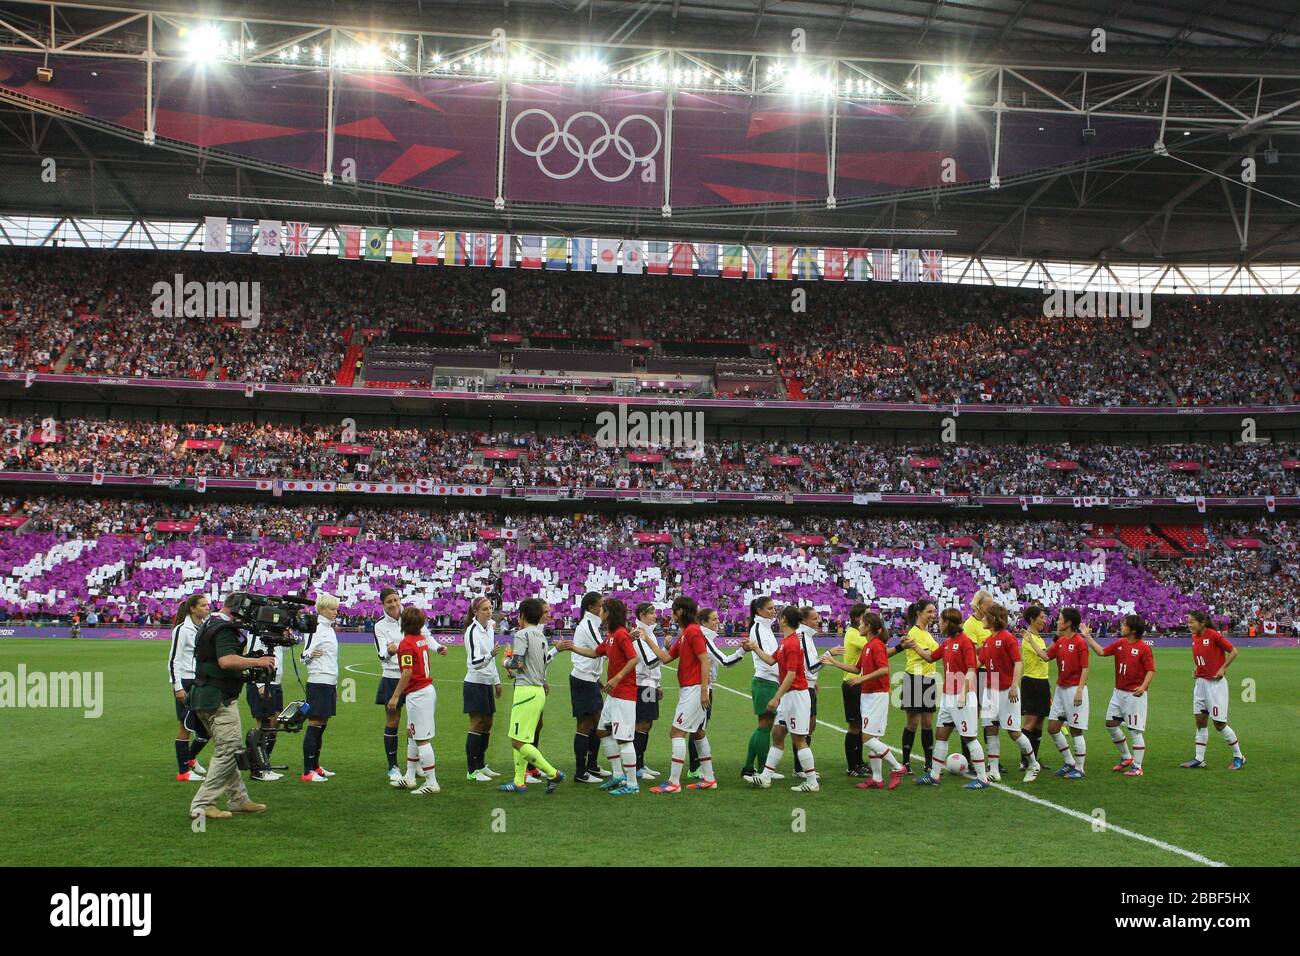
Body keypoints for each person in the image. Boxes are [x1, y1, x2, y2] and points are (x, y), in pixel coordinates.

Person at [188, 599, 273, 820]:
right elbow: (226, 661)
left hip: (206, 695)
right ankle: (203, 804)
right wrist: (258, 662)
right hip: (218, 698)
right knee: (228, 750)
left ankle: (239, 799)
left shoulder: (210, 623)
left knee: (231, 749)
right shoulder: (224, 628)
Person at [557, 599, 641, 795]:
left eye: (603, 609)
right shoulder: (612, 635)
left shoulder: (620, 634)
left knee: (624, 739)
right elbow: (595, 653)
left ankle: (632, 784)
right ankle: (618, 775)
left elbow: (634, 658)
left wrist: (618, 678)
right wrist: (571, 648)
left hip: (624, 693)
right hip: (614, 694)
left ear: (608, 613)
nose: (600, 611)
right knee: (602, 730)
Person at [822, 611, 907, 790]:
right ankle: (877, 778)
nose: (858, 626)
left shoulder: (876, 645)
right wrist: (835, 663)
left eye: (861, 624)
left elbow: (884, 669)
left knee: (867, 739)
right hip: (869, 695)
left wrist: (862, 679)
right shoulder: (869, 645)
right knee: (872, 737)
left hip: (877, 695)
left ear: (868, 627)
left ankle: (897, 767)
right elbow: (856, 668)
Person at [907, 608, 990, 789]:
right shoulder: (947, 643)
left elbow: (971, 669)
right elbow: (930, 657)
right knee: (941, 735)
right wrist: (914, 646)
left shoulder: (965, 643)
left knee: (969, 737)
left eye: (941, 621)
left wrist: (963, 693)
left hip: (963, 697)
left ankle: (983, 778)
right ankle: (934, 775)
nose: (939, 623)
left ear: (948, 622)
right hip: (947, 697)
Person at [643, 596, 718, 794]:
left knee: (676, 732)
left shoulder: (693, 632)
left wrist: (703, 691)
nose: (671, 614)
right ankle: (709, 778)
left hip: (694, 689)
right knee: (698, 733)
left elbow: (704, 661)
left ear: (681, 612)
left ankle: (673, 782)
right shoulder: (686, 633)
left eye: (674, 611)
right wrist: (647, 639)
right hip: (691, 689)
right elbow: (666, 657)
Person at [749, 604, 820, 793]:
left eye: (779, 616)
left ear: (784, 620)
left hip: (795, 695)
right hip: (790, 696)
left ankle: (812, 782)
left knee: (799, 739)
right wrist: (754, 648)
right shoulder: (786, 642)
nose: (777, 618)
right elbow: (771, 660)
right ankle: (765, 777)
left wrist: (776, 697)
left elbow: (790, 674)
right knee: (778, 734)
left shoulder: (791, 644)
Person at [499, 597, 564, 794]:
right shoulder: (541, 636)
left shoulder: (522, 634)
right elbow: (540, 664)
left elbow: (517, 663)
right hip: (536, 691)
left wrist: (505, 661)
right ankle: (519, 782)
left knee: (517, 741)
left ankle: (553, 773)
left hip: (526, 691)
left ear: (522, 615)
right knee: (520, 737)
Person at [1081, 614, 1153, 778]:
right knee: (1111, 724)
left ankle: (1138, 766)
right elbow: (1101, 652)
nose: (1121, 626)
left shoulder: (1143, 648)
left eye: (1124, 624)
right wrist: (1087, 637)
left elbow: (1150, 670)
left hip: (1134, 695)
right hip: (1118, 693)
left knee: (1135, 731)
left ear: (1133, 630)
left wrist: (1143, 686)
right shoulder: (1120, 643)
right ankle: (1127, 757)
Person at [1023, 607, 1089, 779]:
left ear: (1067, 623)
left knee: (1075, 730)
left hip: (1075, 689)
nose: (1057, 621)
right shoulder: (1060, 642)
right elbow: (1045, 657)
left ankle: (1080, 769)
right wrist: (1030, 641)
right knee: (1052, 728)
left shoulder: (1079, 642)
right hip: (1061, 689)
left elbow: (1085, 668)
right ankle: (1069, 762)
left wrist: (1080, 690)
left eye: (1060, 619)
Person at [979, 603, 1040, 783]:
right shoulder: (988, 641)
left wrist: (1014, 685)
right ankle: (994, 769)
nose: (982, 619)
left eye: (985, 616)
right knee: (990, 729)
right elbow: (978, 662)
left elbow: (1018, 662)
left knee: (1013, 731)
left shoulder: (1008, 638)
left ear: (992, 618)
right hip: (990, 691)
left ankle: (1033, 764)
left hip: (1007, 691)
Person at [389, 606, 446, 795]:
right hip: (424, 691)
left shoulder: (406, 643)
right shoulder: (420, 639)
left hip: (418, 694)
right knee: (412, 734)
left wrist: (396, 695)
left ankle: (431, 782)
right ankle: (410, 777)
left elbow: (407, 671)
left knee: (421, 739)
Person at [1181, 611, 1245, 770]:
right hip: (1201, 683)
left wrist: (1223, 668)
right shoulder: (1194, 638)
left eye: (1192, 622)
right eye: (1188, 622)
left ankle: (1239, 756)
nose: (1189, 625)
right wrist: (1197, 668)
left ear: (1202, 623)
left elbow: (1234, 651)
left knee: (1219, 724)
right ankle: (1199, 758)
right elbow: (1202, 658)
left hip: (1215, 685)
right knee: (1200, 720)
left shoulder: (1213, 635)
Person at [687, 607, 745, 778]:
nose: (718, 621)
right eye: (714, 619)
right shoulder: (704, 638)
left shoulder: (703, 636)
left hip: (698, 686)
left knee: (696, 728)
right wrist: (742, 651)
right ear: (704, 622)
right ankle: (695, 768)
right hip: (702, 688)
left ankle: (694, 767)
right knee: (698, 729)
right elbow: (725, 662)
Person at [374, 587, 423, 783]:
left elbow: (424, 636)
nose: (394, 605)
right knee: (393, 721)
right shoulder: (380, 626)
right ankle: (393, 766)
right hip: (392, 677)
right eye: (389, 602)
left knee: (415, 722)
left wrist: (438, 648)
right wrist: (391, 652)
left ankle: (415, 763)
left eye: (395, 600)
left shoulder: (410, 618)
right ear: (383, 605)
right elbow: (381, 655)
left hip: (413, 677)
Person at [740, 595, 782, 781]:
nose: (773, 611)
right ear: (759, 611)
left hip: (769, 681)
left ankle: (750, 767)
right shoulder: (758, 629)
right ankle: (763, 769)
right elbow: (767, 658)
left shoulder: (765, 628)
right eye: (769, 608)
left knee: (764, 726)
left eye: (773, 608)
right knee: (765, 727)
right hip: (766, 681)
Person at [168, 594, 210, 782]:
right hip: (186, 681)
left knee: (207, 728)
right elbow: (173, 660)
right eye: (203, 605)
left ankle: (190, 759)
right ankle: (183, 771)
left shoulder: (203, 627)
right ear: (193, 608)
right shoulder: (182, 630)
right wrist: (177, 686)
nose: (207, 608)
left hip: (201, 681)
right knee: (185, 727)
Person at [462, 596, 503, 781]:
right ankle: (472, 770)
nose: (488, 612)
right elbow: (475, 661)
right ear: (476, 612)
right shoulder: (472, 632)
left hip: (486, 682)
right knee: (477, 723)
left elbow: (491, 661)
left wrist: (496, 681)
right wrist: (490, 655)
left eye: (490, 608)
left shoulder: (489, 629)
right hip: (475, 682)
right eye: (485, 609)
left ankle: (480, 764)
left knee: (488, 723)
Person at [301, 593, 340, 783]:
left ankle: (316, 765)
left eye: (336, 609)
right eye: (332, 609)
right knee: (315, 724)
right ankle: (308, 770)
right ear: (322, 609)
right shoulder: (315, 628)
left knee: (322, 725)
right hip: (318, 680)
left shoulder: (329, 629)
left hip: (328, 681)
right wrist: (310, 655)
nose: (335, 612)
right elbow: (303, 655)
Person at [569, 591, 608, 784]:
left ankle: (591, 766)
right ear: (591, 607)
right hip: (583, 680)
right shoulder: (588, 624)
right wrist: (627, 641)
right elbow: (603, 648)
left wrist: (598, 678)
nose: (603, 609)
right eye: (601, 605)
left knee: (596, 722)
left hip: (589, 679)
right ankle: (581, 771)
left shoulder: (591, 624)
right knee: (586, 724)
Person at [900, 599, 939, 774]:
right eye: (929, 612)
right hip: (915, 679)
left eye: (933, 612)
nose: (932, 615)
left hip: (928, 679)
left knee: (927, 724)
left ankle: (929, 762)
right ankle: (906, 762)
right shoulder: (914, 633)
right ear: (919, 613)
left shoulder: (927, 633)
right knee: (912, 723)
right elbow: (928, 655)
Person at [245, 624, 285, 782]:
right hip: (261, 683)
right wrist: (260, 685)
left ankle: (265, 764)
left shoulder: (274, 635)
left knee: (275, 725)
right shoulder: (256, 632)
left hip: (275, 682)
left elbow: (282, 651)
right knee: (264, 726)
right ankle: (258, 769)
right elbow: (253, 657)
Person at [834, 603, 870, 776]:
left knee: (861, 727)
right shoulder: (853, 634)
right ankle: (851, 766)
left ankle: (859, 762)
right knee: (854, 726)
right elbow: (873, 646)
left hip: (860, 682)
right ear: (857, 618)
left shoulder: (857, 633)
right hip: (852, 683)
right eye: (867, 615)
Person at [631, 602, 664, 780]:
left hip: (649, 683)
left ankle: (640, 763)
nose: (655, 616)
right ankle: (636, 766)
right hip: (642, 684)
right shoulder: (639, 634)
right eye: (651, 613)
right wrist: (666, 651)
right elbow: (650, 662)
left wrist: (657, 684)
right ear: (642, 615)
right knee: (642, 723)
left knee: (647, 723)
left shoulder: (648, 633)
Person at [1017, 605, 1052, 771]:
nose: (1044, 621)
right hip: (1032, 682)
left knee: (1039, 723)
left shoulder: (1037, 638)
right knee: (1029, 723)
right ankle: (1024, 760)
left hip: (1043, 682)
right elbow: (1045, 657)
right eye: (1041, 618)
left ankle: (1034, 759)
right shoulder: (1028, 637)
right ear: (1032, 619)